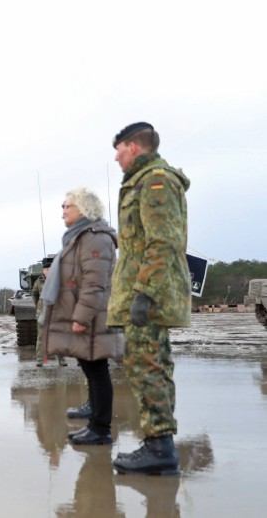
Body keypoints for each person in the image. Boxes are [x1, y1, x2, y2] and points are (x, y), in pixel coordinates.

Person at [108, 122, 190, 476]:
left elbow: (163, 241)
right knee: (149, 366)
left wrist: (144, 293)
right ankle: (158, 442)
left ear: (135, 147)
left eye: (120, 149)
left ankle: (159, 447)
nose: (116, 157)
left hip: (149, 295)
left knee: (148, 367)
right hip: (142, 293)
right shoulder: (142, 181)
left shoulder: (156, 181)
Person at [40, 187, 120, 446]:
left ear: (84, 209)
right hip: (85, 313)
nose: (63, 211)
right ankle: (95, 419)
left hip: (92, 315)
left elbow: (94, 283)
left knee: (97, 371)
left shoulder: (94, 238)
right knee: (90, 367)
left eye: (68, 206)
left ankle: (101, 428)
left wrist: (81, 316)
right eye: (62, 206)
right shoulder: (80, 236)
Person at [33, 258, 68, 367]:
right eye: (46, 269)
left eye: (50, 269)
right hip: (43, 313)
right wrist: (39, 307)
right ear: (43, 270)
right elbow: (35, 295)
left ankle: (61, 359)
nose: (48, 271)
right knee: (41, 337)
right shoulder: (38, 282)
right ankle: (40, 359)